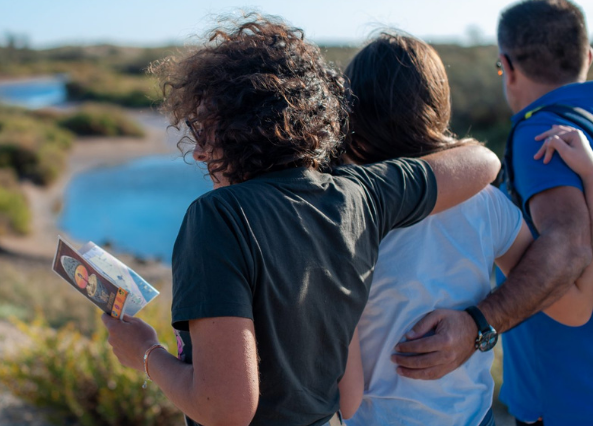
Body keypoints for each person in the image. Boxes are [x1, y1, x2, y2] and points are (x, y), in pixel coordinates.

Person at [99, 14, 500, 426]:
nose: (199, 152)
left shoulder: (218, 217)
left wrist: (145, 353)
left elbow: (225, 408)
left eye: (204, 130)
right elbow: (483, 161)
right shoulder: (360, 194)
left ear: (241, 128)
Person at [336, 32, 593, 426]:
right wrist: (590, 179)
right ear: (438, 106)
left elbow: (345, 401)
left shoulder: (341, 214)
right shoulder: (484, 204)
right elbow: (576, 306)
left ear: (353, 113)